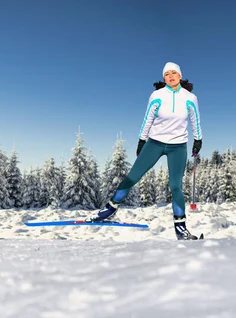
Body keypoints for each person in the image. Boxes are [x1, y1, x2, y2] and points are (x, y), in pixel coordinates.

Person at [87, 62, 203, 240]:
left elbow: (195, 119)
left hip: (178, 147)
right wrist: (142, 140)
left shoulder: (190, 98)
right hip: (155, 143)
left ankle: (181, 228)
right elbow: (147, 118)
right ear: (164, 78)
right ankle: (110, 209)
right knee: (132, 176)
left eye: (174, 73)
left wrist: (198, 139)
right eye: (167, 74)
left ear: (180, 76)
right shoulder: (157, 95)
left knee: (176, 186)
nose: (170, 76)